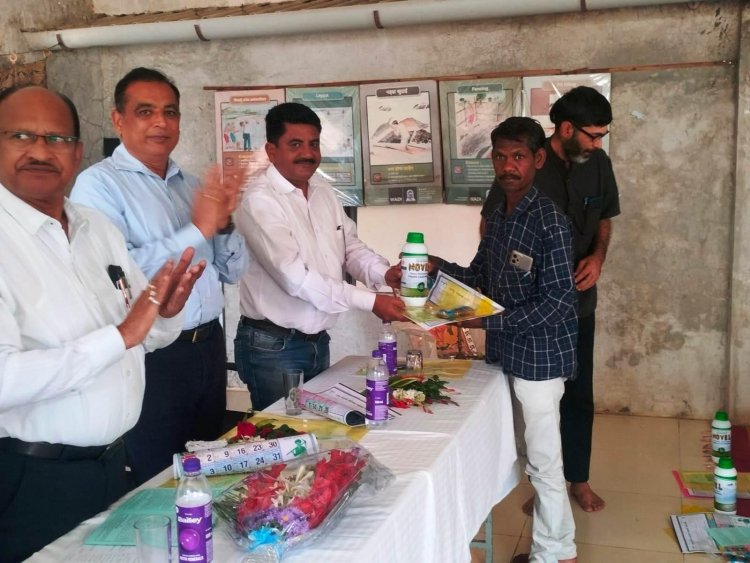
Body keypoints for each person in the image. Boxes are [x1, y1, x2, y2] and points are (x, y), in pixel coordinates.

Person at [0, 86, 204, 562]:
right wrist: (121, 336)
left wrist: (164, 315)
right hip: (33, 480)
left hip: (115, 465)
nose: (39, 151)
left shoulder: (95, 227)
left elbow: (142, 333)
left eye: (57, 138)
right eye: (21, 135)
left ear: (76, 151)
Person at [70, 67, 247, 485]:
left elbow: (234, 271)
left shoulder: (191, 185)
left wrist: (223, 224)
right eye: (145, 111)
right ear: (118, 119)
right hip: (153, 356)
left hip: (208, 348)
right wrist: (199, 228)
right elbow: (118, 279)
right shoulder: (97, 187)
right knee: (159, 480)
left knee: (212, 469)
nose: (160, 122)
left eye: (170, 112)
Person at [434, 117, 578, 563]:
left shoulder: (550, 222)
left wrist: (487, 323)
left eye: (518, 156)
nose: (508, 166)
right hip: (505, 353)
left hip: (541, 357)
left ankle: (556, 553)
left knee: (544, 460)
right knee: (509, 452)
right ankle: (553, 547)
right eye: (500, 156)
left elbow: (559, 304)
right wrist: (433, 267)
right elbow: (478, 278)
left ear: (537, 159)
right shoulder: (499, 216)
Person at [482, 86, 620, 513]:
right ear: (565, 129)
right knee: (536, 399)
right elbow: (491, 229)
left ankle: (577, 480)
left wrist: (597, 258)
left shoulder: (598, 164)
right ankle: (544, 487)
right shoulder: (524, 166)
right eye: (593, 135)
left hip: (578, 301)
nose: (598, 144)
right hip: (531, 310)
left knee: (578, 394)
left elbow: (606, 219)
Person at [235, 102, 405, 411]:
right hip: (273, 346)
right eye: (295, 144)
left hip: (317, 341)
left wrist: (384, 274)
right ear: (272, 151)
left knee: (319, 433)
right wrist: (371, 301)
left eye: (313, 144)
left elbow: (349, 246)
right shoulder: (260, 201)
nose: (308, 153)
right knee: (283, 437)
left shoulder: (322, 190)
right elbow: (295, 279)